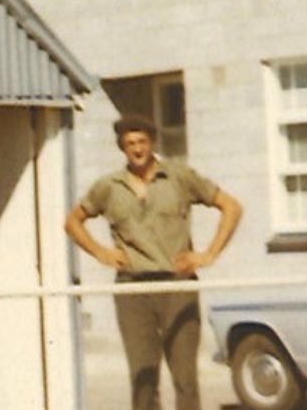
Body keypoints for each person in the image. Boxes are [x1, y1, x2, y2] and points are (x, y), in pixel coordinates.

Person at [65, 116, 242, 410]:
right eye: (130, 143)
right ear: (122, 147)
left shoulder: (179, 176)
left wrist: (208, 254)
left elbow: (231, 207)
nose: (137, 149)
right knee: (143, 378)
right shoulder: (109, 186)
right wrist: (101, 253)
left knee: (185, 379)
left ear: (153, 143)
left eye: (142, 142)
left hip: (177, 286)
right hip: (132, 292)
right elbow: (73, 222)